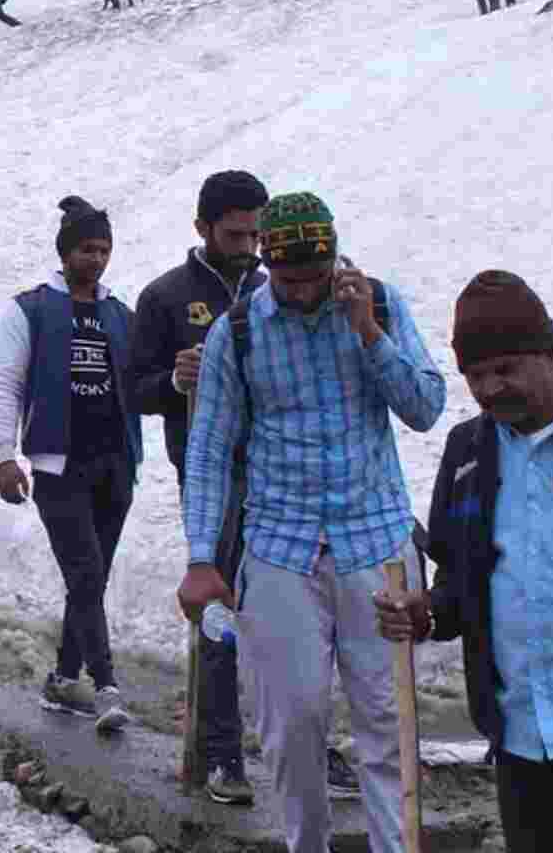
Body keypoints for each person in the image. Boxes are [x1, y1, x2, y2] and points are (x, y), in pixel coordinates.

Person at [178, 191, 447, 853]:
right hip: (279, 550)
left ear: (334, 259)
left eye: (313, 278)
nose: (301, 292)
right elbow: (209, 452)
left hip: (377, 544)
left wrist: (368, 331)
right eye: (286, 278)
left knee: (387, 726)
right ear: (266, 262)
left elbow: (426, 406)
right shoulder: (237, 333)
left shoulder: (378, 305)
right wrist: (201, 559)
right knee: (293, 724)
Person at [374, 271, 553, 853]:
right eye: (475, 376)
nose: (490, 389)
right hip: (521, 737)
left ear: (552, 354)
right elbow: (459, 580)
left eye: (505, 369)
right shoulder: (468, 451)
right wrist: (427, 615)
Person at [129, 170, 270, 804]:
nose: (249, 247)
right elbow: (134, 388)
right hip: (209, 471)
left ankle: (308, 743)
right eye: (236, 234)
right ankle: (220, 755)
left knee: (291, 607)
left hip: (281, 473)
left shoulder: (277, 290)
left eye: (256, 234)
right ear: (203, 228)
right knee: (219, 607)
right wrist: (174, 383)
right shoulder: (164, 296)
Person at [0, 196, 141, 731]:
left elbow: (143, 380)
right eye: (86, 249)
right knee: (85, 571)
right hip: (58, 466)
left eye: (103, 250)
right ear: (64, 251)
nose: (95, 259)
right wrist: (5, 457)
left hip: (115, 462)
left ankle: (60, 678)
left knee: (89, 581)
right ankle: (106, 687)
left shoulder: (121, 314)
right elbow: (7, 384)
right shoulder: (31, 309)